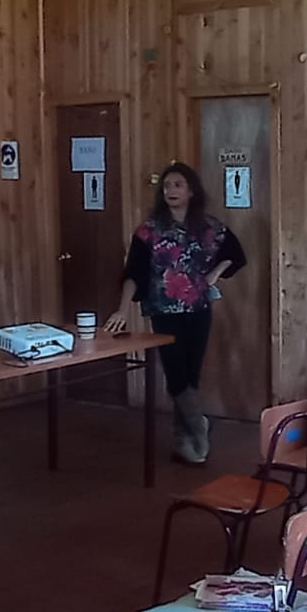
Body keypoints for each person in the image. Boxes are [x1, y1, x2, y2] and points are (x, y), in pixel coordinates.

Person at [103, 161, 246, 464]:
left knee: (191, 374)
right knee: (177, 373)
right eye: (167, 186)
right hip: (164, 310)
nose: (171, 191)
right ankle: (199, 425)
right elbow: (134, 273)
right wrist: (122, 308)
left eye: (178, 185)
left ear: (191, 190)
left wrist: (213, 276)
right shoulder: (149, 231)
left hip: (198, 309)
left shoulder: (209, 227)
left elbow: (236, 255)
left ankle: (186, 443)